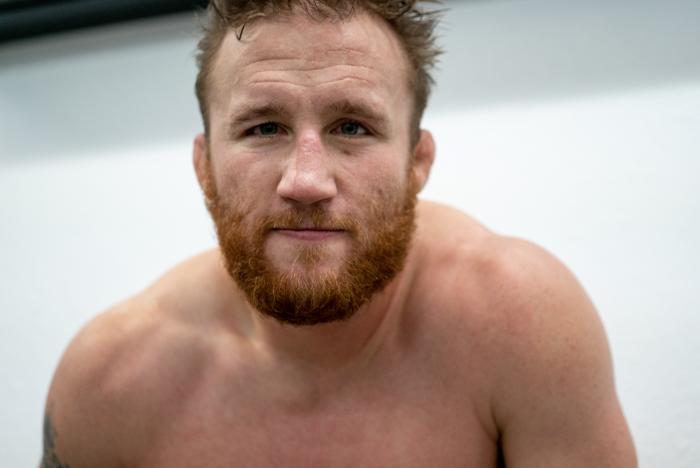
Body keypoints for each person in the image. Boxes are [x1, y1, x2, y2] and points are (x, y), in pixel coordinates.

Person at [40, 1, 637, 466]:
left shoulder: (521, 324)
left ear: (417, 161)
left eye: (352, 125)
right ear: (204, 166)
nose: (306, 181)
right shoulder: (110, 381)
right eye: (264, 127)